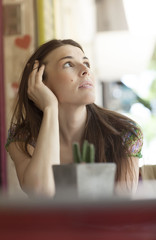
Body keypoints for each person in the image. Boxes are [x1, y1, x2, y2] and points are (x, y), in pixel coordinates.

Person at [6, 39, 143, 197]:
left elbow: (121, 209)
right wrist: (50, 108)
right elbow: (40, 192)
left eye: (87, 63)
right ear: (40, 81)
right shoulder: (23, 138)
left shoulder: (124, 133)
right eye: (68, 64)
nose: (85, 70)